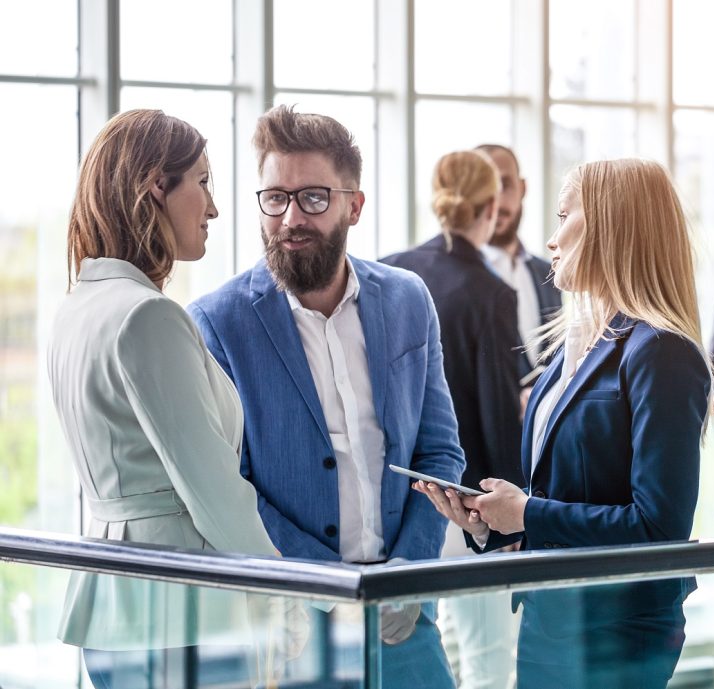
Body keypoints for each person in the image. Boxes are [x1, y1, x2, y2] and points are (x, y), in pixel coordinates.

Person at [187, 105, 465, 689]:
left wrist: (409, 574)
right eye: (274, 198)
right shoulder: (217, 322)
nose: (291, 217)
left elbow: (439, 452)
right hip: (294, 623)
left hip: (404, 615)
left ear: (353, 206)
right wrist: (328, 589)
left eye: (313, 197)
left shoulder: (409, 299)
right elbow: (232, 488)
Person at [417, 158, 712, 689]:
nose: (550, 239)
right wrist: (492, 522)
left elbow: (659, 527)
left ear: (609, 224)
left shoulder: (661, 351)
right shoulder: (574, 345)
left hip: (615, 627)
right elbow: (563, 491)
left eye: (562, 216)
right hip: (552, 613)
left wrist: (527, 511)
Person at [47, 109, 286, 687]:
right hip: (176, 613)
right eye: (202, 182)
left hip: (113, 604)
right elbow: (213, 493)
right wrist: (294, 592)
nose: (214, 207)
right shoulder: (148, 316)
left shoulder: (78, 306)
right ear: (156, 184)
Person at [381, 150, 522, 689]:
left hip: (398, 497)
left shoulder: (390, 269)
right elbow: (496, 410)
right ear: (491, 207)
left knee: (415, 643)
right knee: (487, 656)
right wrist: (512, 509)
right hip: (469, 504)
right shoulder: (491, 292)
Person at [475, 144, 562, 381]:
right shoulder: (458, 278)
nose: (496, 199)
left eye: (504, 184)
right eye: (484, 186)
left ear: (522, 188)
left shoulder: (550, 272)